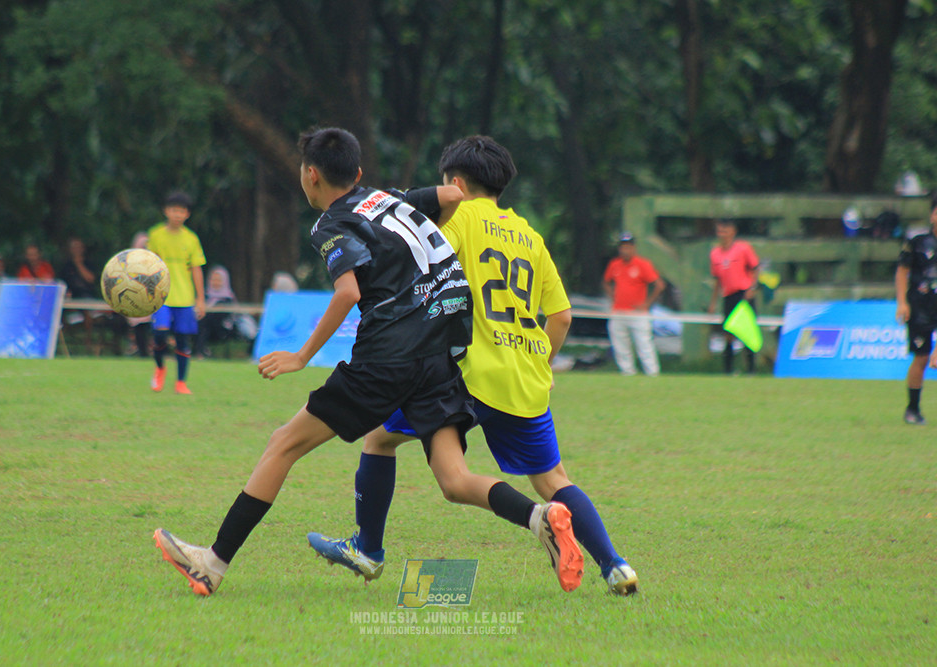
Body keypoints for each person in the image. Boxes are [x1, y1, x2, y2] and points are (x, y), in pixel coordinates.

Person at [153, 127, 583, 596]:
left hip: (386, 359)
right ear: (358, 173)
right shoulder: (387, 200)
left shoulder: (330, 224)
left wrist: (301, 356)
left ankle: (211, 564)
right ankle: (540, 516)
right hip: (438, 355)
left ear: (310, 176)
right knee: (454, 479)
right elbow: (450, 192)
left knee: (283, 445)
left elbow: (349, 293)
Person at [307, 135, 637, 595]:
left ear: (455, 182)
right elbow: (560, 317)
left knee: (379, 439)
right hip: (523, 377)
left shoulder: (457, 215)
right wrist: (538, 359)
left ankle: (368, 549)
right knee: (552, 479)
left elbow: (421, 261)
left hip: (462, 373)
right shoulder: (531, 237)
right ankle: (615, 565)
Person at [147, 192, 206, 394]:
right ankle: (160, 368)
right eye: (174, 210)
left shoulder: (191, 239)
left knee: (183, 339)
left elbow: (197, 268)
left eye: (181, 211)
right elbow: (148, 264)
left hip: (184, 298)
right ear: (166, 211)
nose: (177, 214)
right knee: (160, 334)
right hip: (161, 296)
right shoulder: (155, 235)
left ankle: (181, 382)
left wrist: (200, 299)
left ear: (187, 214)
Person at [895, 193, 937, 425]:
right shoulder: (918, 241)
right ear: (932, 215)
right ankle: (912, 409)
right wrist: (902, 302)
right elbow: (902, 270)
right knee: (921, 358)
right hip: (920, 308)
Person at [603, 232, 666, 376]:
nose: (625, 250)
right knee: (621, 345)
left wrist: (647, 303)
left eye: (628, 247)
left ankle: (652, 373)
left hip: (638, 313)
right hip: (618, 311)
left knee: (644, 345)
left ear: (633, 248)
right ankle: (627, 372)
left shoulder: (642, 264)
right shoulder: (615, 265)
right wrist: (613, 296)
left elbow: (659, 285)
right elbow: (606, 281)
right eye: (623, 247)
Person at [708, 219, 759, 374]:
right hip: (728, 295)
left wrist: (752, 287)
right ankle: (728, 370)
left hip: (744, 294)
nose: (722, 234)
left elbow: (755, 268)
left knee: (746, 332)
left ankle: (751, 369)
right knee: (728, 333)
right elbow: (717, 279)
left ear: (733, 232)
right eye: (719, 231)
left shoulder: (743, 249)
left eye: (725, 231)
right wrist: (713, 301)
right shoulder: (715, 253)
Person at [195, 265, 246, 358]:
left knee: (203, 321)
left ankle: (200, 351)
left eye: (218, 280)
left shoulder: (228, 299)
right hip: (205, 327)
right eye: (213, 279)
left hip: (223, 329)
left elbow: (225, 317)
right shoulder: (204, 297)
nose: (216, 282)